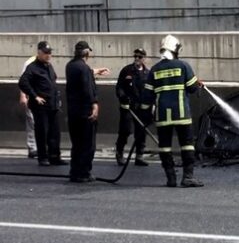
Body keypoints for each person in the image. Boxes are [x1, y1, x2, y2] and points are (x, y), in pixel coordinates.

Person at [140, 34, 204, 188]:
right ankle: (188, 177)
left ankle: (171, 179)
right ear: (175, 50)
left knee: (164, 146)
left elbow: (147, 97)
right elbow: (192, 87)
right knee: (187, 145)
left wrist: (144, 114)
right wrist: (198, 85)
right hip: (182, 114)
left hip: (162, 116)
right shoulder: (183, 66)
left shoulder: (154, 70)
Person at [66, 41, 110, 183]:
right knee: (88, 144)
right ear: (87, 53)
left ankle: (75, 171)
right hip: (85, 112)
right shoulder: (83, 68)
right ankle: (84, 172)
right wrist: (94, 104)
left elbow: (82, 74)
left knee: (77, 143)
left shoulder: (70, 66)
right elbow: (87, 88)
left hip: (73, 112)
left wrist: (95, 71)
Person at [18, 41, 65, 166]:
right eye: (45, 53)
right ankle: (43, 157)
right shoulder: (32, 67)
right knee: (42, 132)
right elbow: (23, 82)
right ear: (39, 53)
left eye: (49, 53)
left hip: (52, 104)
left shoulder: (49, 66)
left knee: (54, 132)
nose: (48, 55)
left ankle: (54, 156)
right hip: (41, 106)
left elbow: (52, 83)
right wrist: (34, 96)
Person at [114, 48, 150, 166]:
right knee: (125, 130)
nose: (137, 59)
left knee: (141, 132)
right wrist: (122, 96)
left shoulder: (148, 73)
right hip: (128, 107)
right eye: (135, 56)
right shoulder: (127, 71)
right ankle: (119, 152)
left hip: (141, 108)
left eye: (139, 57)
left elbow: (149, 91)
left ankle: (139, 155)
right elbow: (119, 87)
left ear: (144, 58)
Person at [19, 54, 37, 159]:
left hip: (41, 97)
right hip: (31, 96)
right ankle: (32, 148)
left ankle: (40, 147)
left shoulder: (46, 63)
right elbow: (23, 81)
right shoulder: (29, 63)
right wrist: (22, 96)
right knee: (32, 121)